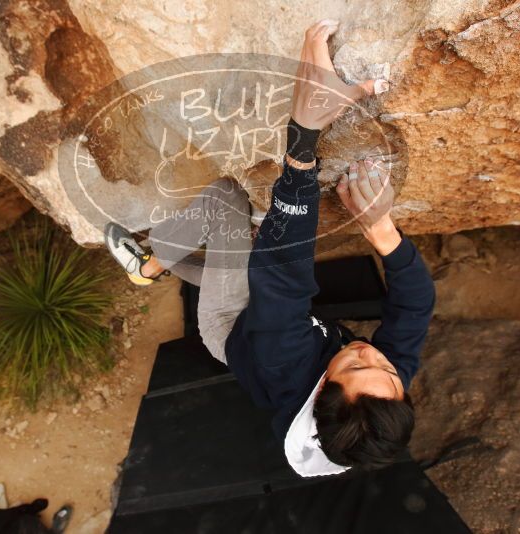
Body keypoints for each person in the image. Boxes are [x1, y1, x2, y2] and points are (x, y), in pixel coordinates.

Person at [105, 20, 434, 477]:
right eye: (389, 370)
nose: (371, 353)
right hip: (274, 320)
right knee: (254, 246)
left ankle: (148, 263)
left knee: (226, 200)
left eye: (358, 365)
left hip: (231, 324)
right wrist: (382, 232)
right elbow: (416, 305)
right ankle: (183, 259)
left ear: (322, 390)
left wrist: (303, 136)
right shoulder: (381, 384)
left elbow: (284, 275)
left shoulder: (284, 361)